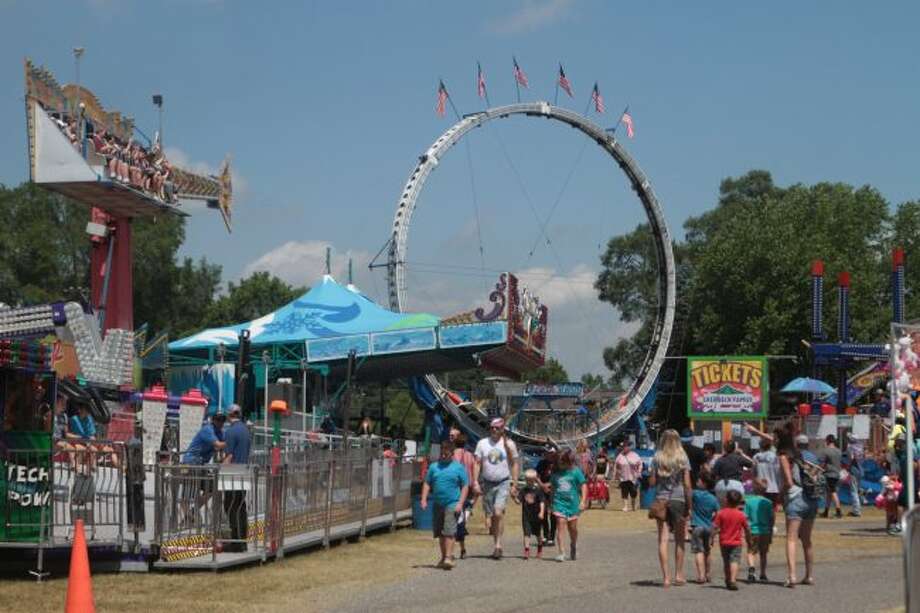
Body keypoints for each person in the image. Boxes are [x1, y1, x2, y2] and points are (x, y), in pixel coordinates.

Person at [649, 429, 693, 587]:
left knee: (663, 539)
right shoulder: (682, 457)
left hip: (661, 499)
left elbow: (652, 483)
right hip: (678, 499)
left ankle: (666, 578)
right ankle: (679, 575)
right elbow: (687, 484)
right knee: (680, 539)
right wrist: (690, 505)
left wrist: (655, 475)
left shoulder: (657, 457)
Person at [778, 424, 819, 588]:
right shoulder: (799, 455)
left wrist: (781, 494)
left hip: (795, 497)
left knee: (791, 538)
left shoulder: (783, 456)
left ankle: (792, 576)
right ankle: (809, 575)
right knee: (807, 540)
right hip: (810, 497)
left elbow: (788, 481)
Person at [473, 418, 519, 560]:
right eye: (492, 427)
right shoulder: (482, 444)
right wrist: (475, 481)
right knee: (492, 515)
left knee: (498, 512)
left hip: (503, 482)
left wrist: (514, 483)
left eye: (497, 428)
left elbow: (515, 463)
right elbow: (477, 463)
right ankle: (496, 543)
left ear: (502, 429)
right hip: (487, 483)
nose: (494, 430)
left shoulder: (509, 444)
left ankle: (498, 545)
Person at [420, 440, 469, 570]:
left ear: (452, 454)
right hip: (438, 503)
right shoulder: (434, 467)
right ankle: (444, 557)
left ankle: (448, 557)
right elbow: (427, 483)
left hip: (452, 503)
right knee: (440, 533)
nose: (443, 456)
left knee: (449, 531)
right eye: (442, 453)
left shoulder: (458, 467)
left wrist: (460, 503)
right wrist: (424, 499)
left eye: (446, 454)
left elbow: (465, 486)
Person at [222, 405, 251, 552]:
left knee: (230, 506)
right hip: (244, 471)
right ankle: (242, 541)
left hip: (233, 473)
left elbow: (229, 457)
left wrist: (219, 471)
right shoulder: (246, 430)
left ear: (230, 415)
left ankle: (236, 542)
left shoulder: (231, 431)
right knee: (241, 507)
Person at [550, 449, 587, 562]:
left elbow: (583, 486)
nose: (561, 465)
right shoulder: (555, 474)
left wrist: (583, 501)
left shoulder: (575, 472)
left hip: (573, 505)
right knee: (560, 525)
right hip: (559, 504)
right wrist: (551, 504)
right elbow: (553, 489)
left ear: (568, 461)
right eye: (559, 462)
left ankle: (573, 544)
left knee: (573, 529)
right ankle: (561, 552)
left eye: (563, 462)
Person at [712, 489, 751, 591]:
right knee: (734, 561)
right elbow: (747, 528)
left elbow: (715, 528)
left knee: (726, 562)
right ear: (738, 502)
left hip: (724, 542)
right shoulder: (741, 514)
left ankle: (728, 579)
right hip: (736, 542)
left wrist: (711, 538)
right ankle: (733, 580)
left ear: (726, 500)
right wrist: (749, 539)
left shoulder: (720, 513)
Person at [690, 472, 719, 584]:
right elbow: (718, 513)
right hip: (708, 527)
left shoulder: (695, 494)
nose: (697, 482)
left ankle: (701, 575)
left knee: (698, 551)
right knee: (707, 551)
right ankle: (708, 574)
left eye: (699, 480)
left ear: (704, 483)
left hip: (697, 526)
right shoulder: (713, 498)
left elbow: (687, 493)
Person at [451, 431, 476, 559]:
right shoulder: (470, 455)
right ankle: (462, 549)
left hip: (456, 488)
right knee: (460, 519)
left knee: (455, 520)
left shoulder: (453, 455)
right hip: (468, 488)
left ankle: (454, 550)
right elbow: (473, 470)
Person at [744, 478, 774, 583]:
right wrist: (771, 532)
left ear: (754, 488)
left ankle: (751, 569)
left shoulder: (749, 502)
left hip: (753, 530)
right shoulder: (769, 502)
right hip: (765, 531)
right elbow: (771, 519)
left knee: (751, 552)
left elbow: (745, 518)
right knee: (763, 553)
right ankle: (763, 573)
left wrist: (746, 530)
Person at [516, 468, 546, 559]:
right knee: (526, 533)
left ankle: (540, 548)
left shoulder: (538, 490)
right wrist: (514, 497)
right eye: (527, 480)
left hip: (536, 515)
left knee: (538, 534)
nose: (529, 482)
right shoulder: (523, 490)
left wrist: (541, 512)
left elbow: (542, 502)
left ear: (534, 480)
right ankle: (526, 550)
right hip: (526, 515)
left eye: (531, 480)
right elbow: (518, 501)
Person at [536, 446, 558, 545]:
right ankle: (545, 534)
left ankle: (552, 537)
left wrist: (549, 485)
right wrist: (542, 485)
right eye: (546, 453)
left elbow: (559, 477)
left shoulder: (557, 464)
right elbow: (536, 476)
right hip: (542, 490)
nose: (548, 454)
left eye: (550, 453)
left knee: (553, 514)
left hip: (554, 490)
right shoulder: (541, 463)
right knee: (543, 512)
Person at [613, 440, 643, 512]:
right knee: (624, 492)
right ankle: (625, 506)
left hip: (633, 477)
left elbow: (640, 463)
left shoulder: (635, 455)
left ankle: (633, 505)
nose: (624, 448)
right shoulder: (620, 456)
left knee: (633, 492)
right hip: (623, 477)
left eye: (626, 447)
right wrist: (616, 474)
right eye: (623, 447)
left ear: (629, 447)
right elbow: (616, 465)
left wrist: (639, 471)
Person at [818, 435, 843, 518]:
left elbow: (822, 463)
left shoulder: (826, 451)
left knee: (833, 492)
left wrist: (818, 471)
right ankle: (826, 511)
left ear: (827, 441)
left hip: (829, 474)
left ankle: (838, 511)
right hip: (837, 473)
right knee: (829, 493)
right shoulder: (839, 451)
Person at [843, 433, 865, 517]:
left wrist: (848, 466)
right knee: (858, 490)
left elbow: (851, 458)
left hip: (854, 470)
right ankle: (858, 507)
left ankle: (856, 511)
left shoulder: (850, 447)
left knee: (854, 491)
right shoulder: (860, 447)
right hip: (861, 470)